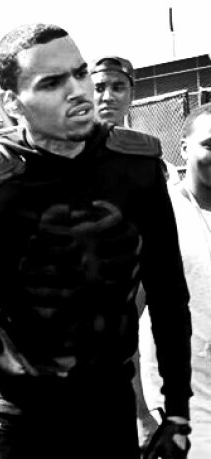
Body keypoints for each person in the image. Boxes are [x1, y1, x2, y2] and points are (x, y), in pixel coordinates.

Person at [0, 23, 192, 459]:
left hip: (111, 406)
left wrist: (178, 412)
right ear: (12, 103)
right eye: (51, 83)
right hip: (23, 418)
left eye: (80, 73)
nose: (78, 91)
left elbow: (168, 294)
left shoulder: (137, 165)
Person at [138, 103, 211, 459]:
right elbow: (125, 321)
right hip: (185, 410)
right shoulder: (159, 214)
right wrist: (141, 415)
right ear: (183, 148)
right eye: (210, 144)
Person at [90, 56, 134, 127]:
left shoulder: (143, 135)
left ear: (131, 96)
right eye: (99, 89)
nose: (107, 97)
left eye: (117, 88)